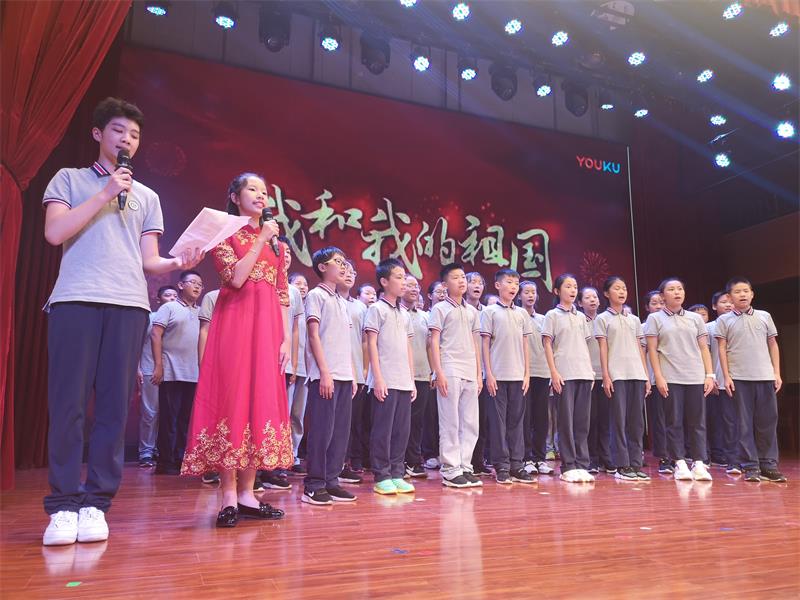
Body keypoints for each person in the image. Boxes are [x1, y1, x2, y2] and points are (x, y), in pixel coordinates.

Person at [41, 97, 203, 546]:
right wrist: (105, 193)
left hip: (129, 305)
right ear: (98, 134)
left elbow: (149, 260)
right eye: (118, 131)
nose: (126, 139)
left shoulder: (147, 197)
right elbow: (55, 232)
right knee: (69, 406)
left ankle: (96, 503)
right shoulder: (69, 179)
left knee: (113, 408)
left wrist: (178, 262)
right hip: (75, 299)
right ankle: (63, 505)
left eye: (133, 134)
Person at [181, 173, 292, 528]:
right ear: (234, 196)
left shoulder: (280, 246)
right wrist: (261, 238)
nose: (261, 195)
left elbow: (283, 295)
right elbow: (237, 278)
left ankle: (248, 493)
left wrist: (287, 339)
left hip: (268, 330)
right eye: (252, 189)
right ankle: (228, 495)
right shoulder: (224, 234)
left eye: (264, 191)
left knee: (260, 401)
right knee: (233, 400)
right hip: (235, 326)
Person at [301, 247, 358, 505]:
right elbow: (314, 336)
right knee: (322, 432)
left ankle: (332, 481)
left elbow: (345, 342)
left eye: (345, 262)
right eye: (338, 262)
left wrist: (352, 375)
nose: (344, 266)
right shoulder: (316, 295)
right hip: (325, 375)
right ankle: (314, 484)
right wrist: (324, 372)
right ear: (323, 267)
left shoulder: (342, 301)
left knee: (340, 433)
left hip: (344, 375)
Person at [644, 277, 715, 481]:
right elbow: (652, 350)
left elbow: (704, 348)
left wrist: (709, 374)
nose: (677, 292)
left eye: (680, 289)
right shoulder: (655, 319)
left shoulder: (695, 319)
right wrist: (658, 377)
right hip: (670, 377)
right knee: (673, 421)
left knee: (697, 422)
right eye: (672, 289)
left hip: (695, 376)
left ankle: (699, 463)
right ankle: (679, 462)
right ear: (662, 295)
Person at [717, 277, 786, 483]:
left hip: (765, 376)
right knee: (744, 424)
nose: (743, 295)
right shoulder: (724, 320)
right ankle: (750, 466)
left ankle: (768, 465)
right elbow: (722, 348)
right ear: (730, 297)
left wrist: (776, 373)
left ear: (752, 294)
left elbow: (773, 344)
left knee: (767, 422)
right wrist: (727, 376)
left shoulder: (764, 316)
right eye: (737, 292)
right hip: (739, 378)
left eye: (746, 291)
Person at [429, 264, 483, 488]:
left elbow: (476, 343)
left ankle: (465, 466)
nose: (461, 281)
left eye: (463, 277)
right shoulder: (440, 309)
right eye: (455, 278)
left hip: (470, 369)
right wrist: (438, 372)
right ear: (445, 284)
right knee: (450, 421)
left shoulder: (472, 311)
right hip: (449, 368)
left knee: (470, 422)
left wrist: (479, 374)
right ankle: (451, 469)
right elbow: (433, 341)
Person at [365, 259, 417, 495]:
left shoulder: (404, 314)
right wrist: (378, 378)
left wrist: (411, 380)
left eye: (404, 277)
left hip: (403, 380)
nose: (403, 281)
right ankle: (382, 475)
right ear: (384, 281)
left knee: (401, 431)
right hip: (384, 379)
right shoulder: (376, 309)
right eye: (398, 277)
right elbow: (371, 345)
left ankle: (397, 473)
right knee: (382, 431)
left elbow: (408, 347)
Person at [595, 276, 651, 481]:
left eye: (624, 288)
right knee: (618, 421)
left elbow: (640, 348)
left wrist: (646, 376)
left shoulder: (634, 319)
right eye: (617, 288)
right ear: (606, 293)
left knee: (636, 422)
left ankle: (636, 463)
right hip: (617, 374)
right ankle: (621, 465)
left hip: (636, 373)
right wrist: (606, 375)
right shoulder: (602, 319)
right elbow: (603, 349)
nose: (622, 292)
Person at [481, 269, 534, 484]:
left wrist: (527, 373)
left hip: (518, 376)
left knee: (516, 423)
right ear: (498, 285)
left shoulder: (522, 314)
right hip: (497, 376)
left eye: (516, 283)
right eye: (509, 282)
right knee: (498, 423)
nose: (513, 287)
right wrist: (488, 374)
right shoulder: (489, 312)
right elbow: (485, 344)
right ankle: (501, 466)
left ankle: (517, 465)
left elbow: (525, 344)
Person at [542, 274, 595, 484]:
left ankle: (582, 464)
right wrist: (553, 372)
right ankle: (569, 465)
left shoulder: (581, 317)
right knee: (566, 421)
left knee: (582, 422)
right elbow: (547, 344)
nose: (573, 290)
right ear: (557, 291)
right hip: (564, 374)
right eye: (568, 286)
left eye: (575, 287)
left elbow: (585, 345)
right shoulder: (552, 315)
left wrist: (591, 371)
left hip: (584, 372)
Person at [151, 270, 203, 475]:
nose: (197, 286)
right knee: (169, 418)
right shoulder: (169, 307)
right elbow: (156, 335)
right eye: (193, 282)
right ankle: (165, 461)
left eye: (200, 284)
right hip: (172, 371)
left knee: (186, 420)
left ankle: (182, 459)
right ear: (181, 285)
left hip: (194, 373)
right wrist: (158, 365)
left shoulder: (202, 311)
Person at [138, 285, 178, 469]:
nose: (172, 298)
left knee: (169, 413)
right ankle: (146, 451)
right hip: (149, 369)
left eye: (175, 295)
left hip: (173, 372)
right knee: (150, 413)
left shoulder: (178, 317)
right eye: (168, 295)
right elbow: (138, 344)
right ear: (158, 299)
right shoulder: (150, 318)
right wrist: (137, 368)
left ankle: (163, 450)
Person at [518, 281, 555, 475]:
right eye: (526, 292)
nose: (530, 295)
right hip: (524, 373)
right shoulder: (517, 315)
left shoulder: (543, 319)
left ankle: (540, 458)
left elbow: (550, 346)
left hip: (543, 372)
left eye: (533, 292)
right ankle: (526, 458)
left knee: (542, 418)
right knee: (525, 418)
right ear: (519, 295)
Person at [579, 286, 614, 475]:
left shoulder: (604, 320)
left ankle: (605, 456)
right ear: (580, 303)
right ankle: (591, 457)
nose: (592, 300)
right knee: (590, 419)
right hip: (587, 375)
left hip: (605, 375)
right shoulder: (579, 320)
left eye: (595, 297)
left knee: (605, 419)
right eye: (587, 297)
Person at [402, 275, 433, 478]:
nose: (414, 289)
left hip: (422, 374)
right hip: (401, 375)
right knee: (401, 421)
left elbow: (430, 346)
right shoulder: (396, 313)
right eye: (409, 285)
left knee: (418, 421)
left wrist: (432, 370)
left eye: (416, 286)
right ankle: (400, 460)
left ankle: (413, 460)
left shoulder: (424, 316)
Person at [340, 261, 368, 484]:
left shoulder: (360, 307)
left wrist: (365, 368)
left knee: (353, 422)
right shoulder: (327, 300)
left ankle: (346, 462)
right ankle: (335, 464)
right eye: (345, 271)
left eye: (352, 272)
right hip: (337, 371)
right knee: (336, 422)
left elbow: (365, 341)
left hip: (357, 372)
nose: (349, 275)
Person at [706, 291, 739, 474]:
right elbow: (706, 354)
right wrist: (711, 376)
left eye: (730, 302)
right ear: (714, 306)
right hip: (718, 380)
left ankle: (741, 455)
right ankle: (722, 454)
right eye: (723, 302)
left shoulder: (739, 322)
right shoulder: (709, 327)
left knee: (739, 419)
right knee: (721, 420)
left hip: (740, 378)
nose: (728, 305)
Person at [422, 280, 447, 469]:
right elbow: (429, 346)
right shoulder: (426, 316)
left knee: (445, 416)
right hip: (431, 371)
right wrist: (433, 371)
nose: (442, 294)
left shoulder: (450, 313)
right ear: (430, 296)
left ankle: (444, 453)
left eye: (444, 291)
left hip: (450, 369)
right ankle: (430, 453)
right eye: (438, 291)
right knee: (430, 415)